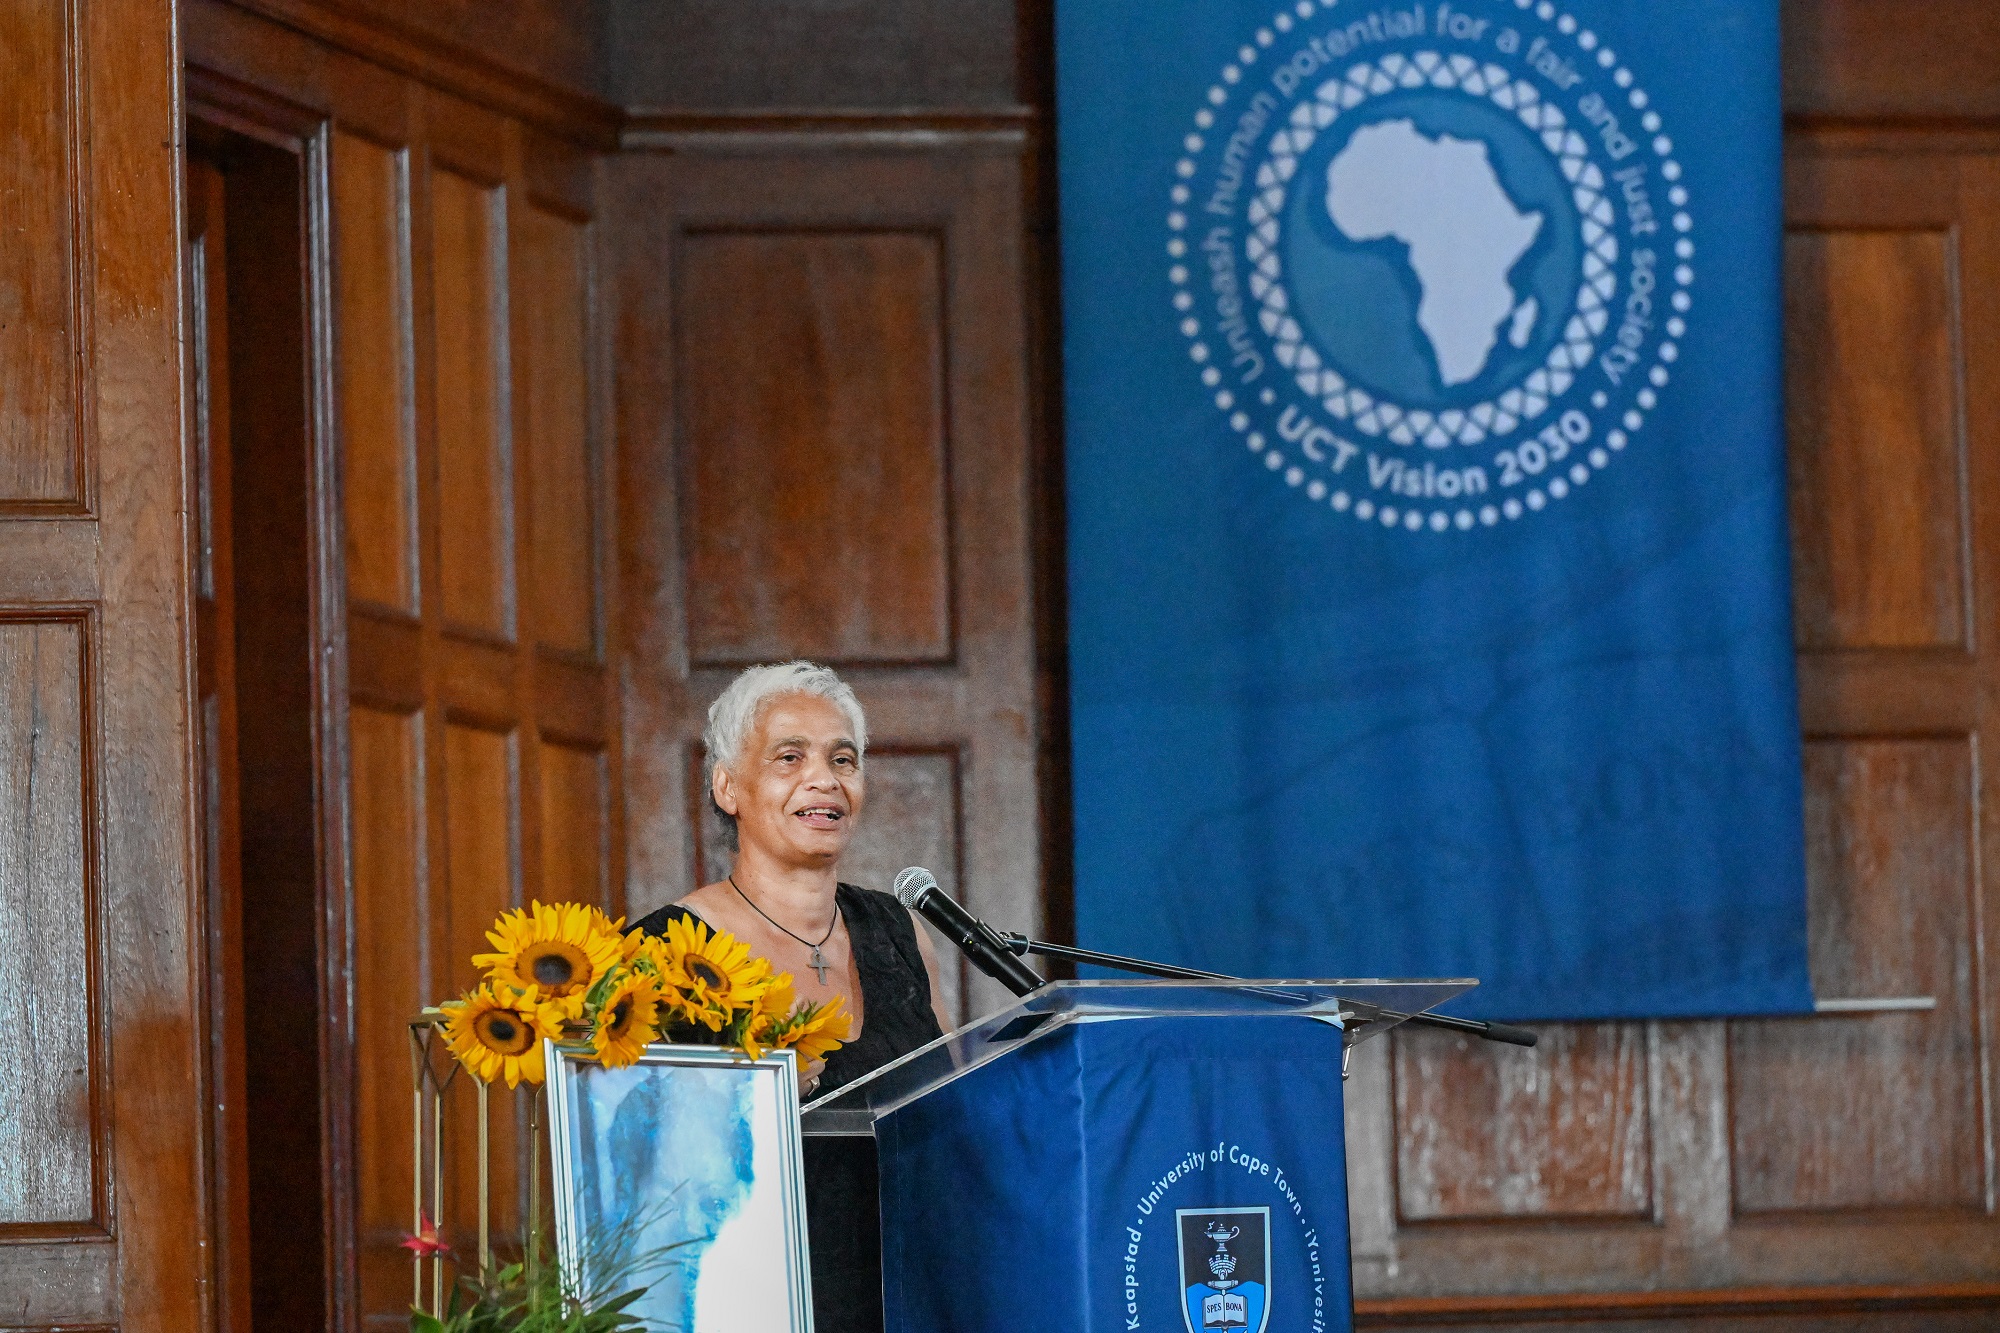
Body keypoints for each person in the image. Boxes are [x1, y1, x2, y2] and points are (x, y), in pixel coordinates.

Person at [629, 660, 953, 1333]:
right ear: (728, 787)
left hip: (911, 1295)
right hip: (746, 1303)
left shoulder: (900, 933)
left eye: (843, 759)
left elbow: (954, 1113)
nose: (824, 779)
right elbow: (641, 1168)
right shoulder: (663, 951)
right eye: (790, 757)